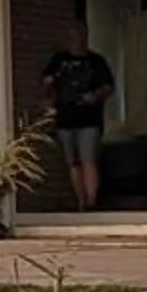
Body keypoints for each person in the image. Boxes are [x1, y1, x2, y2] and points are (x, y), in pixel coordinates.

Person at [41, 21, 118, 210]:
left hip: (89, 118)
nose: (75, 40)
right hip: (66, 118)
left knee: (88, 159)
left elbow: (109, 86)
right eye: (71, 36)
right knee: (73, 161)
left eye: (79, 35)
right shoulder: (59, 61)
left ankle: (92, 200)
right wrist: (49, 96)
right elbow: (45, 82)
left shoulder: (96, 61)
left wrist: (94, 96)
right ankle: (81, 201)